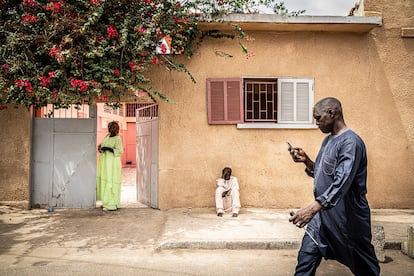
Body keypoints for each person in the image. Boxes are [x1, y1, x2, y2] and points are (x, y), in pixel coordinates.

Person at [287, 97, 380, 276]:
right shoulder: (328, 141)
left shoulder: (351, 143)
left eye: (318, 118)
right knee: (305, 259)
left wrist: (311, 209)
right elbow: (325, 175)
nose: (316, 123)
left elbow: (342, 182)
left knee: (365, 268)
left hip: (348, 220)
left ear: (332, 113)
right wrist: (307, 161)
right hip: (323, 219)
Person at [97, 121, 124, 211]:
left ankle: (112, 204)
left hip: (112, 163)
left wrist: (109, 149)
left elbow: (120, 151)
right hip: (104, 162)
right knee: (105, 179)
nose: (109, 129)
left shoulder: (117, 139)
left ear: (115, 128)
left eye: (111, 127)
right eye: (109, 127)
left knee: (112, 181)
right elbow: (101, 145)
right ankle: (106, 201)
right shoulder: (107, 136)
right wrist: (100, 148)